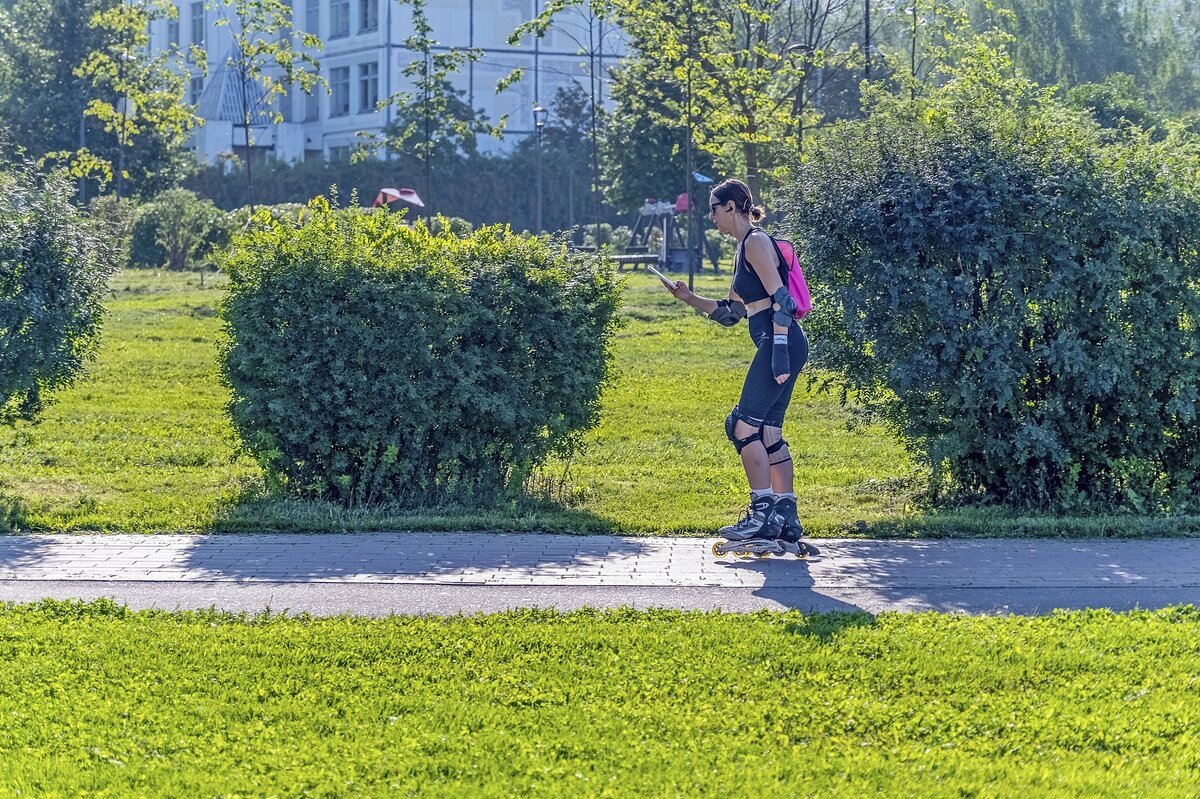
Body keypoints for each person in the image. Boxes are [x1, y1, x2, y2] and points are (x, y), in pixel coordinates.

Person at [657, 179, 809, 554]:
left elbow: (783, 301)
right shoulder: (744, 249)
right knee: (769, 431)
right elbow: (732, 313)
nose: (710, 215)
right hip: (783, 343)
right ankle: (785, 516)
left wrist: (776, 352)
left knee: (742, 428)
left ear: (732, 206)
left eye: (713, 207)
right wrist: (688, 297)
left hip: (781, 341)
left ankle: (761, 514)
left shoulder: (756, 242)